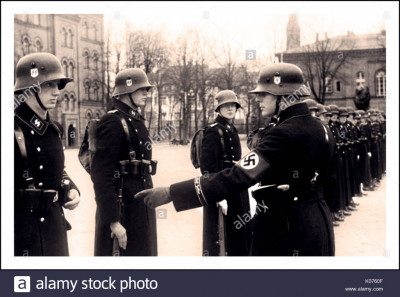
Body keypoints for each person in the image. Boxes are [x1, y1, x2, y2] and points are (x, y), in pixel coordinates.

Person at [136, 63, 336, 256]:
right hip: (319, 225)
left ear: (283, 96)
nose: (258, 100)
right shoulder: (322, 128)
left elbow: (239, 174)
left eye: (264, 94)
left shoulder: (283, 133)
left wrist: (173, 192)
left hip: (286, 230)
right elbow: (330, 179)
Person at [14, 52, 80, 256]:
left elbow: (58, 170)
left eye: (58, 85)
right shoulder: (13, 128)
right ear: (30, 88)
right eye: (49, 85)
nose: (57, 92)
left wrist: (70, 187)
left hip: (54, 226)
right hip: (23, 233)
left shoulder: (53, 129)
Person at [91, 68, 157, 256]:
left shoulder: (136, 120)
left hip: (140, 205)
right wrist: (113, 220)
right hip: (122, 209)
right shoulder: (112, 121)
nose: (146, 93)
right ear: (126, 91)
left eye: (147, 89)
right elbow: (101, 174)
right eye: (141, 89)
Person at [200, 90, 251, 256]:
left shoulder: (231, 129)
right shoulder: (213, 131)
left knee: (240, 235)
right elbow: (207, 168)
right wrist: (218, 196)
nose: (230, 109)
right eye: (226, 105)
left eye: (233, 105)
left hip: (237, 188)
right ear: (218, 108)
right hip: (222, 191)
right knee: (222, 240)